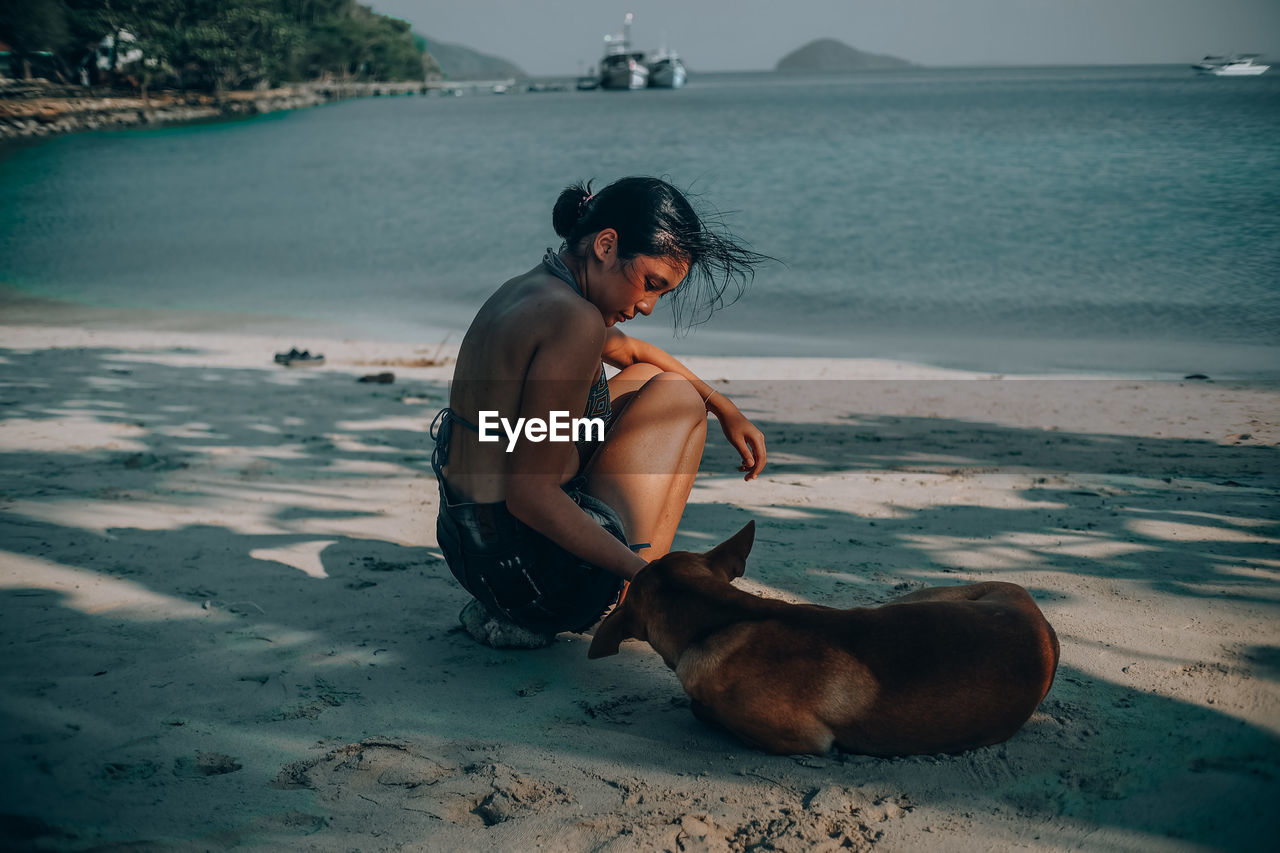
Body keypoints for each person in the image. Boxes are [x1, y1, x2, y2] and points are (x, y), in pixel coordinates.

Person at [432, 176, 768, 648]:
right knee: (677, 400)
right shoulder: (574, 319)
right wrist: (653, 578)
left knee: (659, 382)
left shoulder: (531, 290)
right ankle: (634, 597)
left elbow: (631, 353)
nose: (649, 306)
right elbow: (530, 496)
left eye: (662, 294)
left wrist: (724, 405)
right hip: (534, 578)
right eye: (651, 284)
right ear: (606, 245)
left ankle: (621, 583)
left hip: (476, 555)